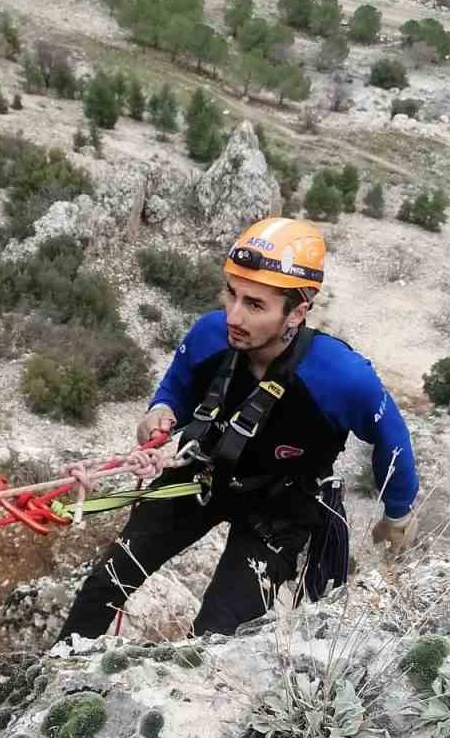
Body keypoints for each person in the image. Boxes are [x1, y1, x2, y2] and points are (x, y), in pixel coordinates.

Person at [58, 217, 419, 641]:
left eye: (255, 304)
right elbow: (179, 379)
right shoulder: (211, 333)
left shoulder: (341, 376)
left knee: (215, 636)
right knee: (107, 582)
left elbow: (391, 438)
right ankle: (50, 681)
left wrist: (397, 515)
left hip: (279, 508)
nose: (233, 315)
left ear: (297, 312)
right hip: (202, 476)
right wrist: (161, 410)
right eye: (231, 293)